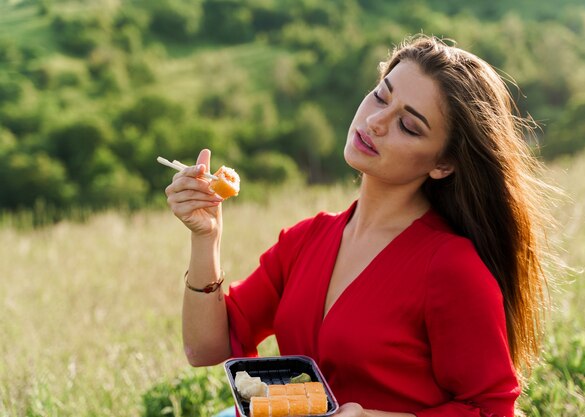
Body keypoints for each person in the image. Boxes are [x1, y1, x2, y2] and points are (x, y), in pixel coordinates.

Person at [165, 35, 555, 417]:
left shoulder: (452, 267)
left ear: (443, 164)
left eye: (409, 125)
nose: (375, 121)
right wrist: (206, 237)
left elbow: (491, 410)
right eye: (381, 96)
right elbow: (205, 349)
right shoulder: (306, 239)